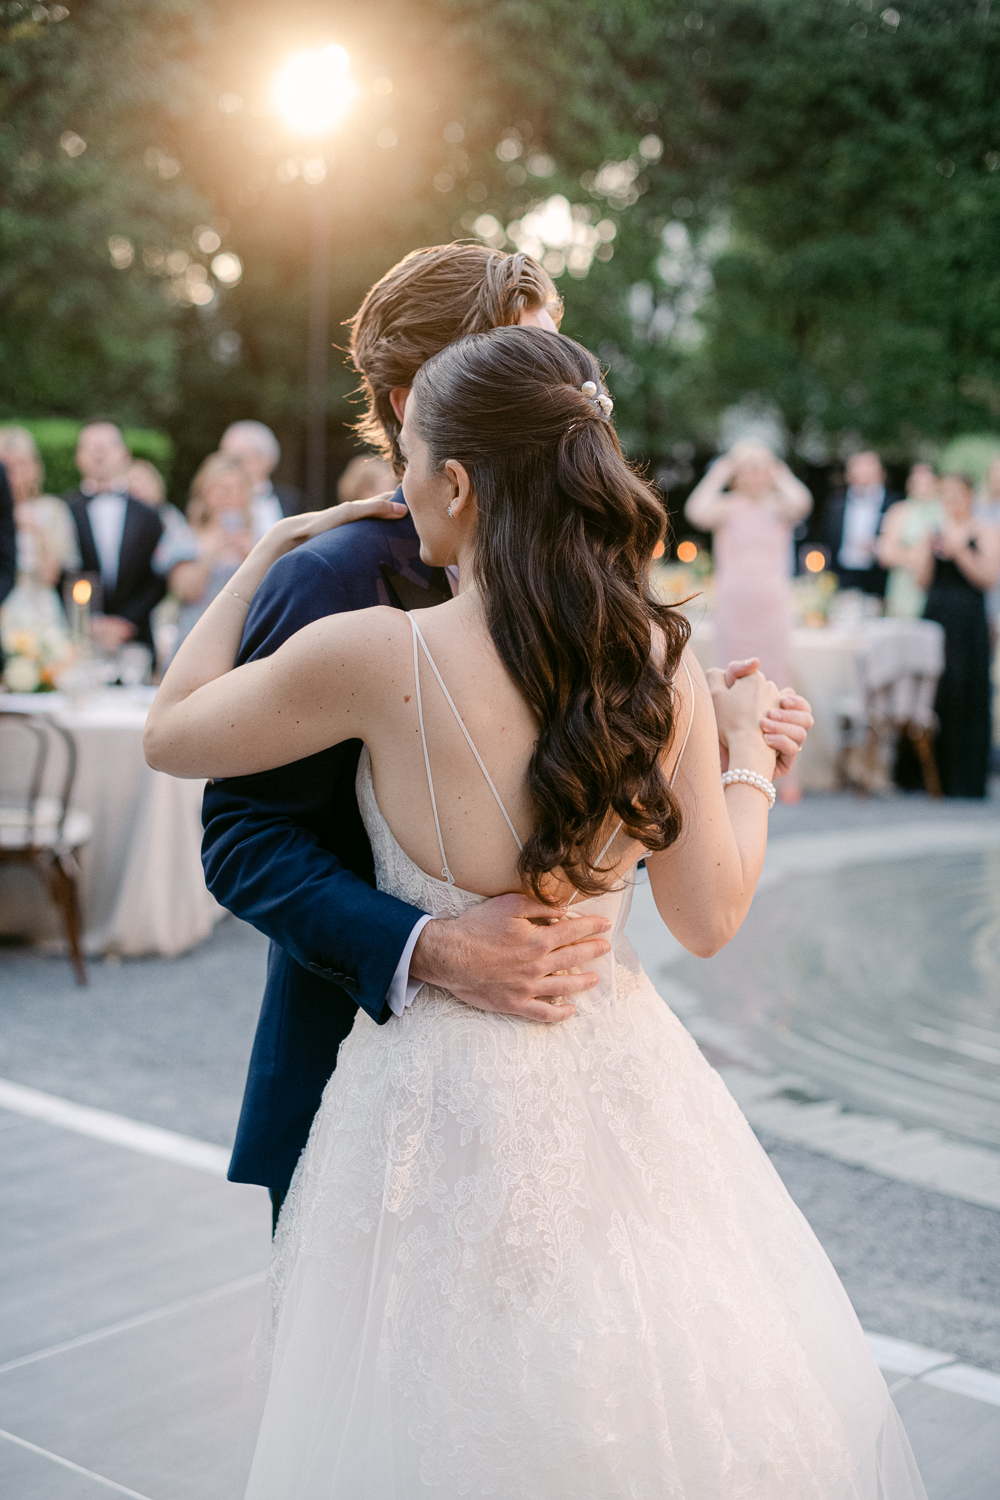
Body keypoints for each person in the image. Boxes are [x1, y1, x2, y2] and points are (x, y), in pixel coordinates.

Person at [146, 327, 922, 1499]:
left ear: (456, 483)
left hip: (426, 1111)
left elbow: (172, 733)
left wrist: (259, 555)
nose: (397, 493)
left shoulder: (371, 655)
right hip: (619, 1087)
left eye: (409, 462)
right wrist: (748, 763)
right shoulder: (662, 666)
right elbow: (708, 917)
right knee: (626, 1396)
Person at [198, 243, 816, 1233]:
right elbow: (243, 837)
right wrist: (427, 947)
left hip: (581, 1088)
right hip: (374, 1097)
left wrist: (727, 749)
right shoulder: (331, 582)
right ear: (412, 401)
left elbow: (618, 788)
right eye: (523, 352)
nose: (561, 383)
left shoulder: (594, 573)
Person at [685, 440, 812, 801]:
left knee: (778, 682)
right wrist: (721, 470)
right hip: (735, 608)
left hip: (771, 609)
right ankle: (727, 769)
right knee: (731, 683)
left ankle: (785, 774)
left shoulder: (779, 508)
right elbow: (696, 509)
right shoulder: (726, 508)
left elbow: (803, 501)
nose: (755, 474)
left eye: (762, 468)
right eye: (749, 468)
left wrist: (778, 468)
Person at [913, 472, 1000, 798]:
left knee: (967, 691)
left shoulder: (987, 532)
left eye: (956, 495)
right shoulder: (932, 531)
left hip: (969, 621)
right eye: (945, 496)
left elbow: (987, 577)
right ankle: (930, 775)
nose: (951, 502)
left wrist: (959, 551)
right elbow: (921, 580)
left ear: (969, 496)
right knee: (936, 692)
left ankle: (965, 778)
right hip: (936, 617)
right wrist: (926, 550)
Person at [64, 420, 165, 649]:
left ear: (124, 454)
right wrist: (90, 623)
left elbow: (157, 578)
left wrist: (126, 622)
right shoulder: (63, 511)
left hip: (135, 637)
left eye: (107, 446)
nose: (100, 454)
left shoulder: (149, 514)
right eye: (92, 447)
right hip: (77, 637)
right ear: (78, 456)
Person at [0, 425, 80, 638]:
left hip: (40, 609)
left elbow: (51, 575)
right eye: (7, 467)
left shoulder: (52, 510)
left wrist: (35, 529)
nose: (14, 474)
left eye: (21, 465)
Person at [169, 453, 255, 647]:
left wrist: (250, 555)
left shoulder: (260, 538)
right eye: (222, 489)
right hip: (196, 639)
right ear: (206, 492)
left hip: (244, 638)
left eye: (236, 489)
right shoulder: (186, 537)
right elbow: (184, 591)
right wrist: (210, 555)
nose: (229, 496)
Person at [825, 449, 899, 597]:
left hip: (879, 576)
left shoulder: (894, 504)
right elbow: (827, 540)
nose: (864, 471)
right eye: (858, 466)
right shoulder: (836, 503)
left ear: (882, 472)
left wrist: (879, 546)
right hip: (842, 574)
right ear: (849, 473)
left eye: (869, 466)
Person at [875, 462, 942, 619]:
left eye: (926, 480)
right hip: (904, 586)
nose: (921, 485)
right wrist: (919, 557)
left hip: (938, 588)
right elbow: (885, 554)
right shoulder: (898, 510)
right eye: (916, 480)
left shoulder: (945, 510)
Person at [219, 420, 301, 539]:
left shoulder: (293, 501)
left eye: (239, 459)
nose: (232, 468)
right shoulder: (216, 502)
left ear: (268, 459)